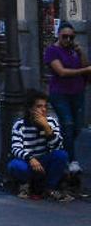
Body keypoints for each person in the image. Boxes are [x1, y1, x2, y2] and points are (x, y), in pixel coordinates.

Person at [8, 89, 72, 201]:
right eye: (39, 106)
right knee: (15, 165)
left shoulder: (51, 122)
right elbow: (16, 148)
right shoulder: (20, 125)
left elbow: (57, 146)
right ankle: (25, 185)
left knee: (61, 155)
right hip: (28, 162)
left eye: (45, 106)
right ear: (30, 109)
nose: (43, 110)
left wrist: (47, 129)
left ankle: (50, 188)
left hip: (44, 162)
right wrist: (30, 159)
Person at [44, 22, 90, 174]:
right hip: (60, 94)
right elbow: (61, 72)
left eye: (71, 37)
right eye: (65, 37)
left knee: (77, 126)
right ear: (59, 35)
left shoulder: (73, 51)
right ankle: (72, 160)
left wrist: (81, 53)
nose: (68, 40)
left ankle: (59, 148)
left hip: (77, 92)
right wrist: (85, 70)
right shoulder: (52, 51)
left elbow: (85, 67)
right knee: (68, 124)